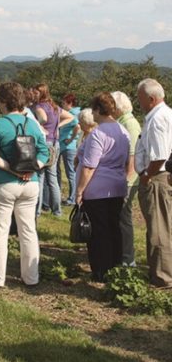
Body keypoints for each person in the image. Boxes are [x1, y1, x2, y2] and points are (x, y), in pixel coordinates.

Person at [0, 82, 49, 288]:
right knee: (28, 231)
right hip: (31, 185)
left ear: (3, 102)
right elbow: (45, 152)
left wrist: (10, 169)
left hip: (4, 183)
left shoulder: (0, 123)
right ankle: (31, 277)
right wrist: (30, 169)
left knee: (0, 231)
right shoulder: (32, 123)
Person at [75, 92, 130, 282]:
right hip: (117, 186)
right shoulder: (123, 131)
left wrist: (80, 190)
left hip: (97, 189)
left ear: (98, 110)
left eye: (93, 109)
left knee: (97, 232)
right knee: (113, 228)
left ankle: (100, 269)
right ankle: (115, 266)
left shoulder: (98, 133)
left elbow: (89, 166)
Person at [135, 78, 172, 287]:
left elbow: (160, 154)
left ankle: (162, 277)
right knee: (161, 226)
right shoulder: (165, 114)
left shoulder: (158, 119)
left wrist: (147, 174)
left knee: (158, 229)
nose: (139, 102)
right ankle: (158, 272)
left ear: (150, 98)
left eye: (140, 98)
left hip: (156, 177)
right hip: (160, 175)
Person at [111, 91, 141, 267]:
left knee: (124, 219)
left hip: (127, 181)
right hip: (121, 179)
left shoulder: (129, 124)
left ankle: (128, 259)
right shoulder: (121, 122)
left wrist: (126, 182)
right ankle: (120, 254)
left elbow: (132, 156)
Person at [33, 83, 73, 217]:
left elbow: (43, 118)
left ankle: (37, 210)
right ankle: (57, 210)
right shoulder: (54, 106)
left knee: (39, 176)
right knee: (53, 178)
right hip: (55, 143)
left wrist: (39, 125)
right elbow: (71, 117)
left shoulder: (39, 106)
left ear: (41, 93)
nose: (34, 94)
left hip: (44, 143)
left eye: (36, 92)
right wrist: (57, 127)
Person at [57, 94, 80, 205]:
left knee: (70, 172)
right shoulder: (72, 113)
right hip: (63, 145)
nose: (62, 105)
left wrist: (70, 139)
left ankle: (72, 198)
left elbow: (78, 127)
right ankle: (60, 195)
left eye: (63, 103)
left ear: (70, 103)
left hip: (68, 146)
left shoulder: (73, 114)